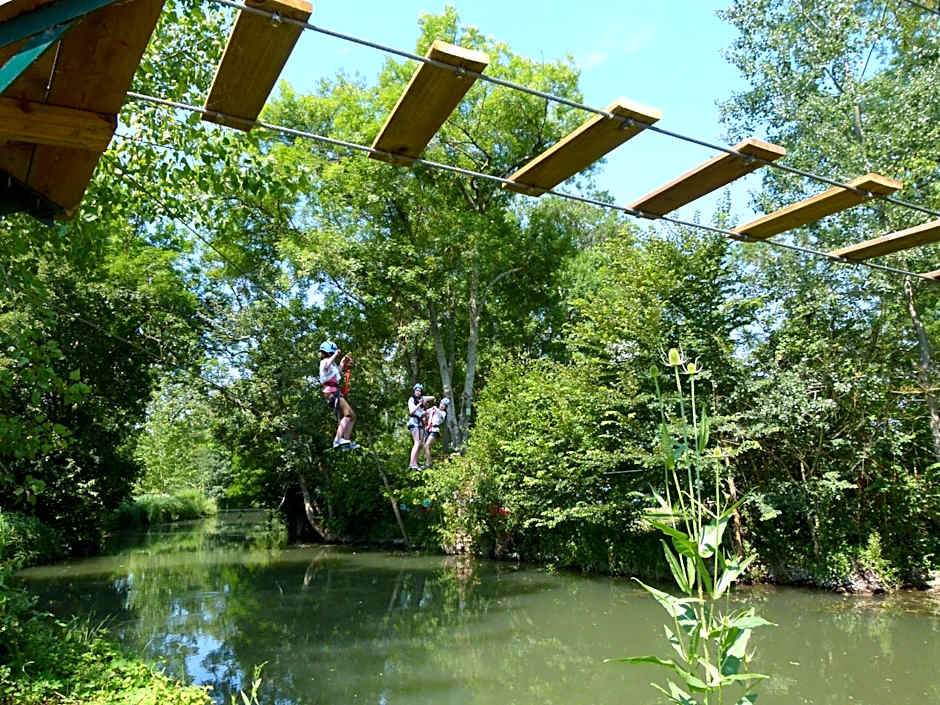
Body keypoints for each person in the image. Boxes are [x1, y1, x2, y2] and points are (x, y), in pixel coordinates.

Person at [318, 341, 359, 450]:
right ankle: (337, 439)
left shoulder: (331, 364)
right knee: (348, 415)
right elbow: (326, 366)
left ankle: (346, 441)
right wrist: (336, 354)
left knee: (352, 416)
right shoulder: (324, 362)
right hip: (331, 392)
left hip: (335, 391)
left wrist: (342, 363)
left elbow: (337, 374)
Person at [407, 383, 435, 469]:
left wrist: (424, 400)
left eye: (420, 391)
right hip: (414, 422)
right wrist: (419, 404)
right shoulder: (411, 399)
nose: (418, 392)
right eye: (417, 390)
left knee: (420, 444)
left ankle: (416, 463)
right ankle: (411, 464)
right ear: (414, 391)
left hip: (420, 423)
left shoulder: (421, 398)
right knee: (417, 443)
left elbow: (432, 397)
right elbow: (411, 411)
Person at [423, 397, 449, 467]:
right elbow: (425, 412)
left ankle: (428, 463)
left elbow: (440, 415)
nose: (442, 406)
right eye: (441, 404)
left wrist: (435, 409)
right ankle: (428, 461)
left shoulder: (443, 413)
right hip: (429, 429)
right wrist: (424, 405)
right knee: (425, 446)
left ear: (445, 407)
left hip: (435, 430)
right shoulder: (433, 410)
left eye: (444, 405)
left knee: (427, 445)